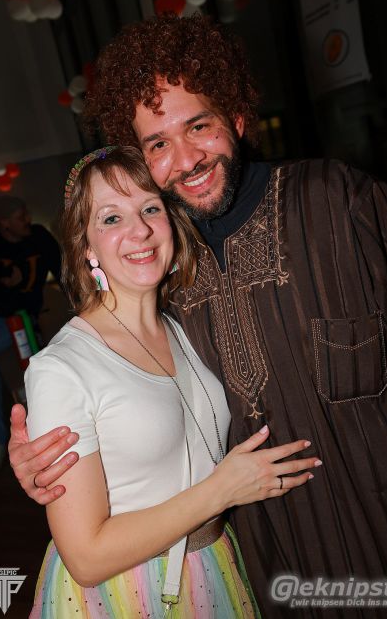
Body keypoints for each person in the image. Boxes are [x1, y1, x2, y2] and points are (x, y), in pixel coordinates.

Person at [9, 15, 387, 617]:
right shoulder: (169, 275)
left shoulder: (338, 201)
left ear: (238, 118)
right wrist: (49, 462)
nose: (186, 158)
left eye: (199, 126)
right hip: (264, 574)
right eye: (158, 144)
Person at [25, 145, 320, 618]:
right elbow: (86, 558)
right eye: (111, 218)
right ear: (85, 246)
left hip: (213, 563)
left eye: (150, 209)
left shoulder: (186, 326)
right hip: (127, 591)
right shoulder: (61, 367)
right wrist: (222, 490)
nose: (139, 230)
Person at [0, 195, 61, 478]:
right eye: (20, 217)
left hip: (15, 318)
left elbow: (62, 272)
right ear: (4, 223)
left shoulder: (39, 237)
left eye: (26, 213)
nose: (27, 219)